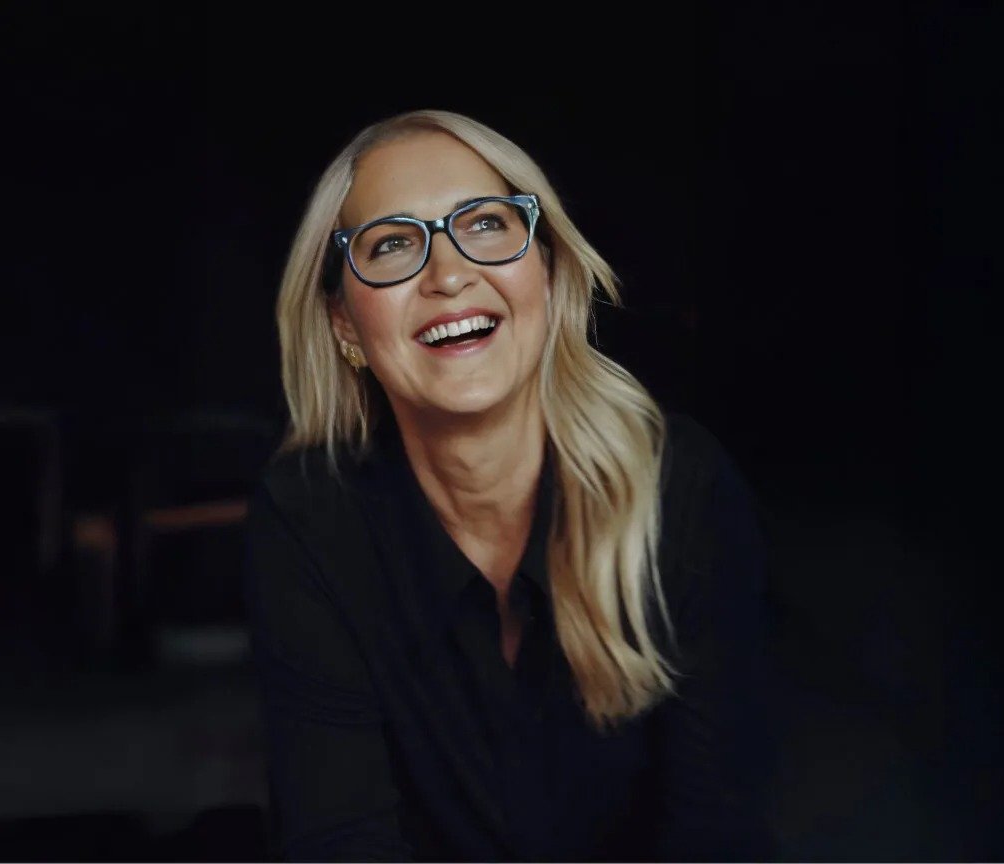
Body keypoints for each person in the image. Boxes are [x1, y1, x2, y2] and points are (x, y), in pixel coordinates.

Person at [242, 109, 775, 861]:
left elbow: (717, 837)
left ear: (547, 274)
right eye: (392, 244)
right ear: (346, 326)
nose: (449, 274)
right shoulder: (310, 515)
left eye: (487, 224)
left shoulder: (679, 487)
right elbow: (339, 841)